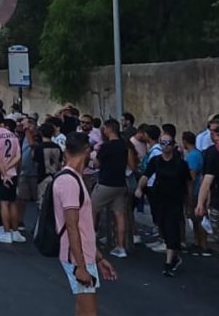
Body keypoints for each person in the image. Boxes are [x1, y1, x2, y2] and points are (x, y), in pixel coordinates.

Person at [54, 132, 118, 315]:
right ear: (87, 151)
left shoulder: (72, 179)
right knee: (89, 311)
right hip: (77, 257)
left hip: (82, 255)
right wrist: (81, 267)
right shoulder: (69, 182)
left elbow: (81, 227)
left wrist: (98, 258)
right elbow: (72, 227)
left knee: (83, 308)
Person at [135, 131, 190, 276]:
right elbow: (146, 175)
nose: (165, 146)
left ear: (173, 145)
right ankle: (174, 255)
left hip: (175, 200)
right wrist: (140, 188)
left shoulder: (180, 163)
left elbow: (187, 183)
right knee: (163, 226)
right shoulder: (156, 161)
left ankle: (168, 263)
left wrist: (189, 201)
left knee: (172, 228)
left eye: (168, 143)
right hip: (159, 199)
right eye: (163, 143)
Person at [91, 119, 130, 258]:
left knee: (92, 209)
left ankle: (89, 240)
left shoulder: (106, 147)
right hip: (120, 183)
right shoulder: (124, 145)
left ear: (108, 129)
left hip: (106, 183)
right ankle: (120, 246)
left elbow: (96, 164)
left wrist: (94, 156)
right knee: (120, 215)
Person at [0, 109, 22, 243]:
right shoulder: (13, 135)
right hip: (12, 172)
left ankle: (7, 233)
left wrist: (3, 172)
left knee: (3, 203)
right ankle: (15, 231)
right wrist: (8, 168)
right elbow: (18, 156)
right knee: (12, 202)